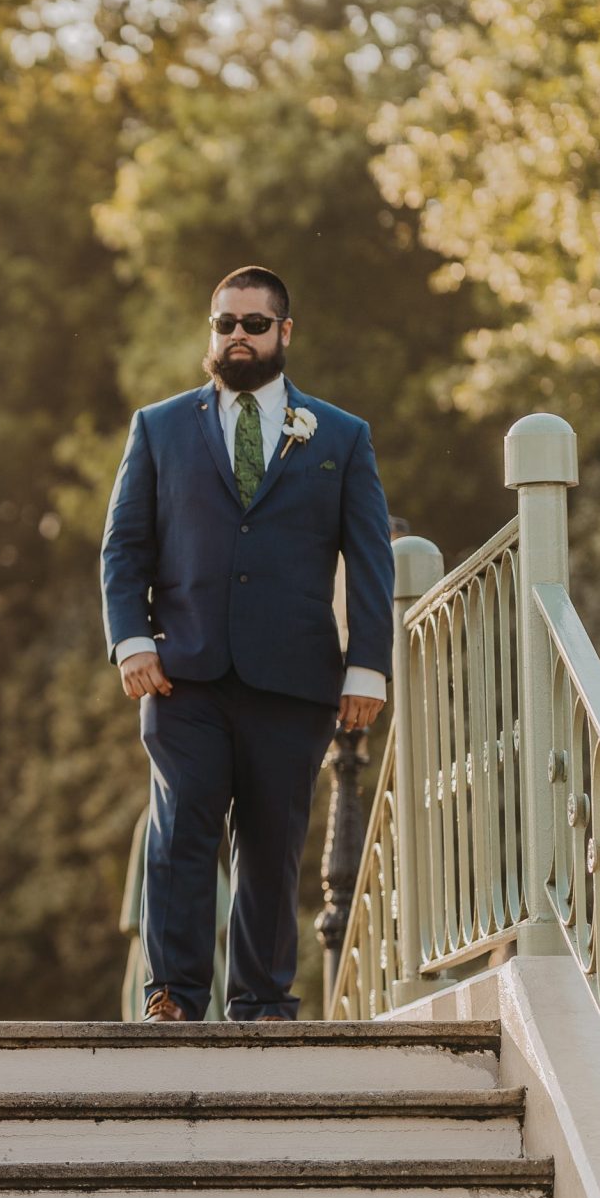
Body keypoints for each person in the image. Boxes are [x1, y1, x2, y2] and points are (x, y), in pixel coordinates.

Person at [100, 264, 393, 1022]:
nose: (236, 336)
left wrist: (367, 666)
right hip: (182, 673)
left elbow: (370, 560)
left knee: (271, 842)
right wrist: (132, 639)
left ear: (284, 333)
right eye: (223, 323)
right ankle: (172, 993)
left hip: (293, 678)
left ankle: (263, 1002)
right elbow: (123, 547)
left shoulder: (341, 436)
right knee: (183, 824)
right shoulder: (158, 427)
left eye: (253, 324)